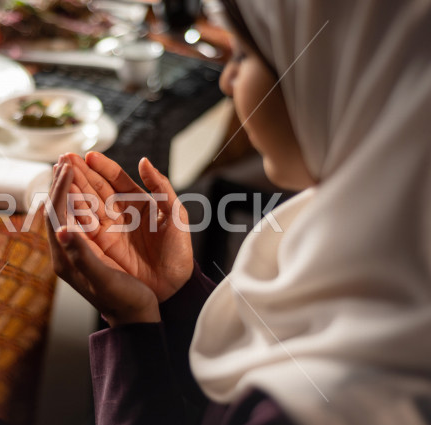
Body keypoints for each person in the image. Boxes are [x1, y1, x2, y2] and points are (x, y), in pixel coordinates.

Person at [45, 1, 431, 424]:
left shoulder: (323, 405)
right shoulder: (345, 227)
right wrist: (172, 295)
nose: (228, 81)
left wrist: (130, 322)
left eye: (245, 55)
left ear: (339, 74)